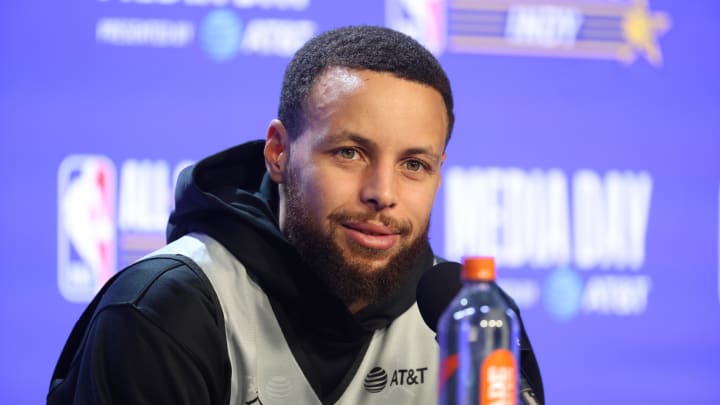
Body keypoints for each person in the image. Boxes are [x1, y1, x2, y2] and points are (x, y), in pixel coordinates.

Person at [47, 25, 543, 404]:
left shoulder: (474, 323)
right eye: (350, 153)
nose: (382, 193)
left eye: (414, 164)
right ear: (279, 153)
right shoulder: (165, 310)